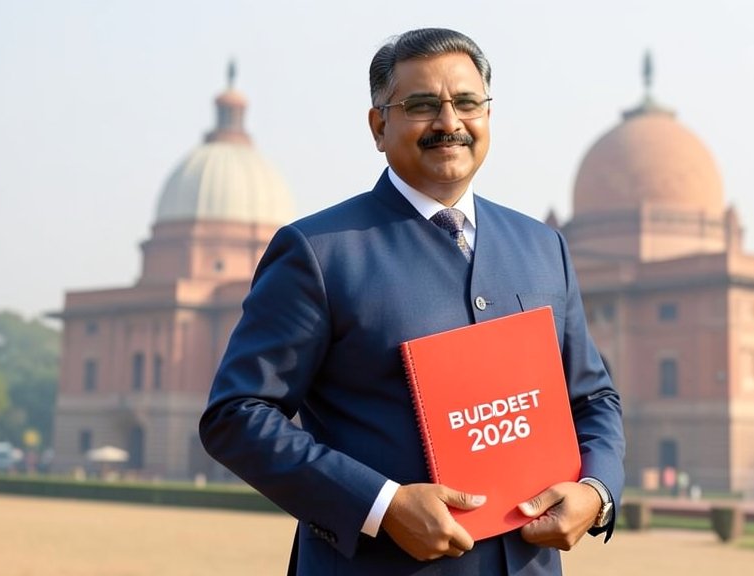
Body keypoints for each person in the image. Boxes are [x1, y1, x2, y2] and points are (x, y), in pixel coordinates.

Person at [199, 27, 625, 576]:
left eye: (467, 102)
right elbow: (236, 414)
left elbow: (592, 398)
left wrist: (596, 490)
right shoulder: (322, 253)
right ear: (379, 126)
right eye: (422, 105)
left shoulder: (542, 248)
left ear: (487, 115)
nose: (449, 122)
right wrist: (381, 505)